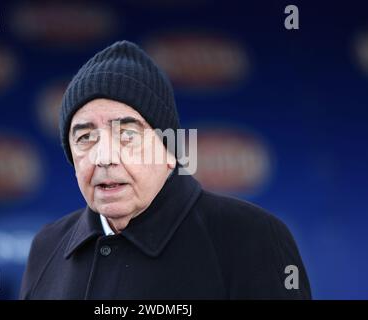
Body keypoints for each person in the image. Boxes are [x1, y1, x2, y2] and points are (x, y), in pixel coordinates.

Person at [20, 40, 311, 299]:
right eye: (85, 138)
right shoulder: (48, 246)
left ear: (170, 150)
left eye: (127, 135)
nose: (104, 157)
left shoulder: (251, 238)